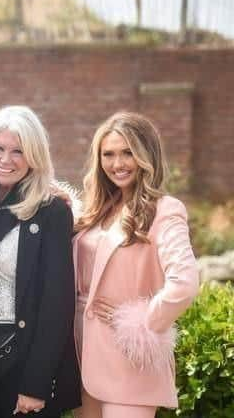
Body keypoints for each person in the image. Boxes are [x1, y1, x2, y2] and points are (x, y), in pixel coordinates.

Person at [0, 105, 81, 417]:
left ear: (34, 156)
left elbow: (57, 303)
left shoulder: (51, 211)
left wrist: (36, 383)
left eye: (18, 151)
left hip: (22, 364)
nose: (5, 160)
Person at [72, 111, 200, 418]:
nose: (118, 164)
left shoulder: (165, 211)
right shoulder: (96, 211)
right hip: (80, 354)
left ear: (146, 155)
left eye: (128, 153)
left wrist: (141, 322)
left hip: (129, 359)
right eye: (109, 154)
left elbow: (184, 283)